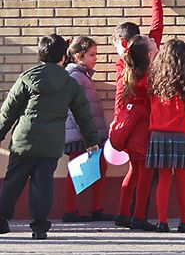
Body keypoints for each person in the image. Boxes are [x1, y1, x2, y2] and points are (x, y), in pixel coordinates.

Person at [0, 34, 100, 239]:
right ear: (63, 57)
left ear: (40, 54)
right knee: (43, 184)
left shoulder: (27, 77)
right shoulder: (70, 82)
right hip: (51, 143)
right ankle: (39, 228)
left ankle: (1, 220)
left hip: (24, 140)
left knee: (13, 181)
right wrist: (92, 141)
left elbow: (8, 111)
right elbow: (84, 114)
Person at [146, 38, 185, 232]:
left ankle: (162, 221)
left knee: (163, 179)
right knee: (181, 178)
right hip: (179, 134)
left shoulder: (153, 81)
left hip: (158, 135)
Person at [62, 35, 110, 222]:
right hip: (79, 134)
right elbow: (75, 109)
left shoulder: (83, 76)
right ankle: (69, 210)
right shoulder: (74, 77)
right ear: (79, 57)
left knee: (100, 166)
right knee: (76, 170)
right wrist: (86, 135)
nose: (95, 58)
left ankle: (96, 208)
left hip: (91, 133)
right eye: (92, 54)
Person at [112, 37, 155, 229]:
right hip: (144, 130)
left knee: (133, 171)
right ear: (148, 55)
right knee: (145, 175)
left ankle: (122, 213)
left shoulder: (127, 73)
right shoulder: (148, 77)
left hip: (130, 131)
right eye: (154, 51)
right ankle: (139, 216)